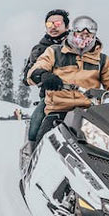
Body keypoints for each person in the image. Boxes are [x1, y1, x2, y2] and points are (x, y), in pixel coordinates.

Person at [27, 15, 109, 144]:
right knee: (43, 142)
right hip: (59, 111)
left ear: (94, 36)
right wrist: (43, 75)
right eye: (80, 34)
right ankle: (35, 159)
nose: (84, 38)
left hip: (90, 114)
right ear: (72, 32)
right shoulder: (54, 52)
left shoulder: (102, 60)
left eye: (88, 35)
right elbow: (36, 69)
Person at [23, 9, 70, 149]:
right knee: (37, 121)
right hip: (52, 98)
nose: (53, 27)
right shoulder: (40, 49)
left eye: (57, 23)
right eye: (49, 24)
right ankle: (32, 154)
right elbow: (27, 75)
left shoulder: (80, 44)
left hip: (82, 97)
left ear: (66, 26)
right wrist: (42, 75)